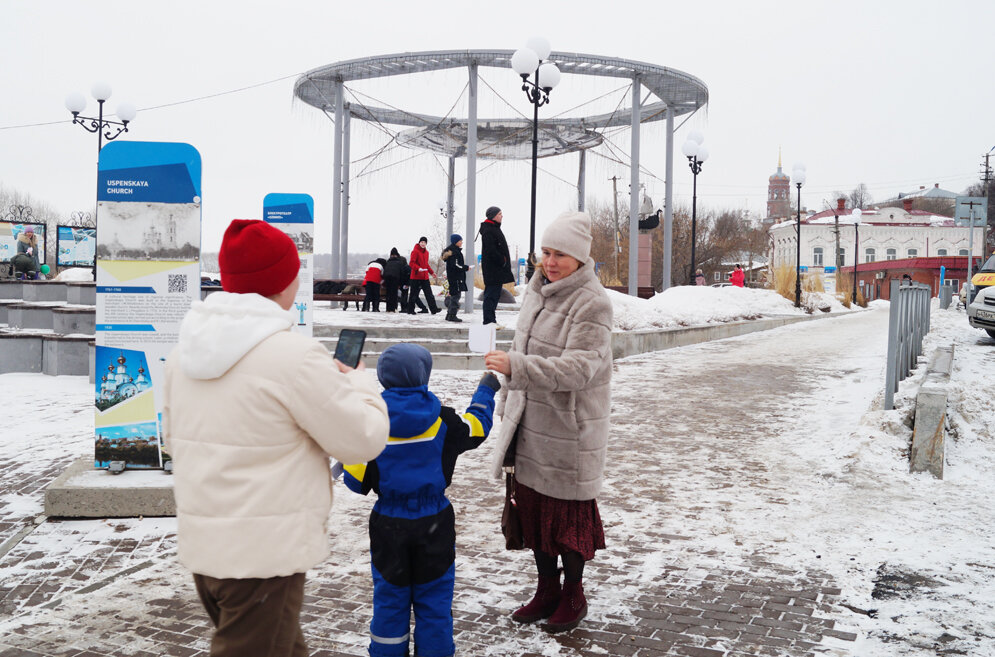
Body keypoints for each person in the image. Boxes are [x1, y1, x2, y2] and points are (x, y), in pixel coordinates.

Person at [162, 219, 390, 657]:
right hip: (263, 558)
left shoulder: (184, 353)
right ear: (284, 282)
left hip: (209, 548)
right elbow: (363, 440)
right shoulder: (292, 356)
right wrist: (360, 385)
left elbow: (173, 440)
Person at [484, 210, 613, 634]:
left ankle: (573, 593)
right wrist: (507, 401)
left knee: (566, 520)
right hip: (529, 424)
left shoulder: (592, 302)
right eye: (546, 252)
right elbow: (520, 354)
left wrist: (517, 367)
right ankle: (546, 589)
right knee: (536, 513)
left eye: (560, 254)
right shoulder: (537, 292)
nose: (551, 261)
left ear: (580, 259)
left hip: (567, 431)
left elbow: (579, 368)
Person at [340, 344, 499, 657]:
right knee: (435, 600)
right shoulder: (444, 421)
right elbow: (477, 427)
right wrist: (485, 390)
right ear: (424, 375)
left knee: (389, 599)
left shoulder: (371, 424)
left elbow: (355, 482)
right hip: (435, 522)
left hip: (388, 525)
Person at [479, 206, 514, 326]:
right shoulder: (489, 230)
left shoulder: (493, 228)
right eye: (499, 214)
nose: (502, 216)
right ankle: (489, 321)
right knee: (491, 295)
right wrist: (502, 260)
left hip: (496, 269)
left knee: (494, 295)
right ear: (493, 216)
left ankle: (491, 320)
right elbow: (491, 250)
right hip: (493, 269)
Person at [406, 237, 440, 315]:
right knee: (413, 295)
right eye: (421, 242)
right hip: (416, 277)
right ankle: (410, 310)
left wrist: (432, 273)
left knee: (429, 294)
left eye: (424, 242)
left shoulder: (426, 253)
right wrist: (418, 268)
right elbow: (411, 263)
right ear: (419, 242)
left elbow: (426, 265)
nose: (423, 243)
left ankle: (434, 309)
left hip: (425, 277)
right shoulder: (415, 251)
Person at [441, 233, 470, 323]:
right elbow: (456, 265)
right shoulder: (455, 252)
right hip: (456, 277)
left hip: (453, 277)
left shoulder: (453, 251)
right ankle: (452, 315)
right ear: (456, 242)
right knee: (456, 296)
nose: (461, 242)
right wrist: (465, 267)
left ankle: (449, 315)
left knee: (454, 295)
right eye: (460, 241)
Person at [382, 248, 405, 312]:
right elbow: (401, 274)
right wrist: (400, 284)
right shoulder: (399, 262)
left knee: (388, 294)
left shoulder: (388, 262)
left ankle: (388, 308)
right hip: (395, 279)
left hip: (387, 279)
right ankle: (393, 308)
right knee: (394, 294)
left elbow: (384, 272)